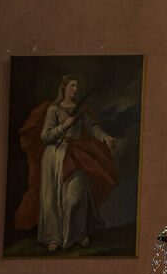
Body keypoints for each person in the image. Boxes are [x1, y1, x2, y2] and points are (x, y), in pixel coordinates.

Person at [14, 74, 120, 251]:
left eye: (77, 86)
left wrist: (105, 137)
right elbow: (45, 136)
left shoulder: (81, 110)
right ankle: (53, 237)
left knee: (75, 198)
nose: (75, 89)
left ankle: (78, 233)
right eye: (72, 86)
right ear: (64, 88)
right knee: (52, 198)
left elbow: (92, 127)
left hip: (75, 155)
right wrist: (65, 125)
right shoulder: (53, 110)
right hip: (54, 156)